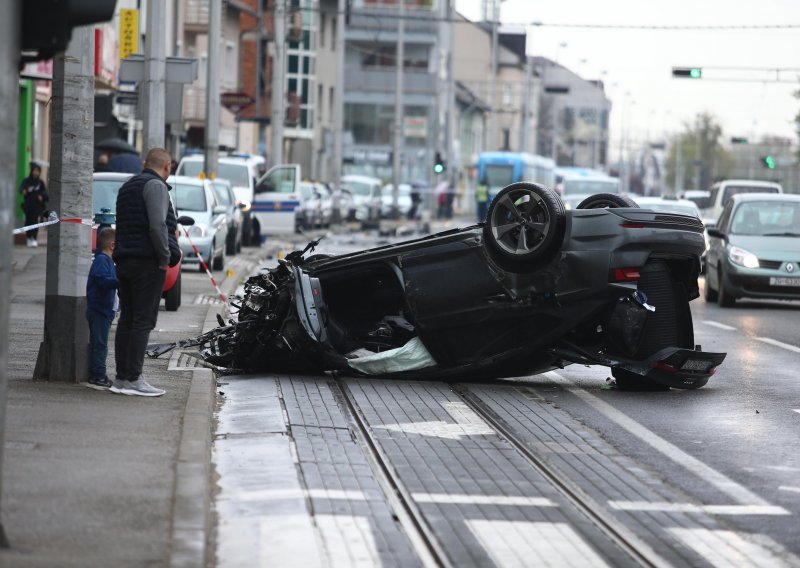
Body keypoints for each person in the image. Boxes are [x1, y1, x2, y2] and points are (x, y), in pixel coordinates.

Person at [110, 148, 180, 397]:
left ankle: (121, 378)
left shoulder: (127, 187)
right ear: (167, 166)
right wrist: (164, 258)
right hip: (148, 263)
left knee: (128, 319)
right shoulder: (156, 186)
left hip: (125, 261)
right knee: (143, 320)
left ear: (145, 163)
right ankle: (134, 379)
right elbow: (158, 225)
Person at [85, 228, 119, 390]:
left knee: (100, 343)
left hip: (104, 310)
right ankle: (98, 375)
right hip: (99, 310)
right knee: (100, 344)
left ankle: (97, 373)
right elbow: (102, 281)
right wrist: (119, 280)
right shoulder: (102, 261)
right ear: (112, 245)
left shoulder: (107, 261)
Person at [19, 162, 49, 247]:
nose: (36, 172)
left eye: (38, 171)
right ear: (32, 171)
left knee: (35, 222)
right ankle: (29, 237)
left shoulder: (40, 183)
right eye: (35, 170)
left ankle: (34, 238)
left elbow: (46, 194)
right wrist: (23, 191)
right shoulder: (26, 181)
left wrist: (42, 196)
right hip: (28, 206)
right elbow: (21, 189)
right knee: (28, 222)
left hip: (37, 206)